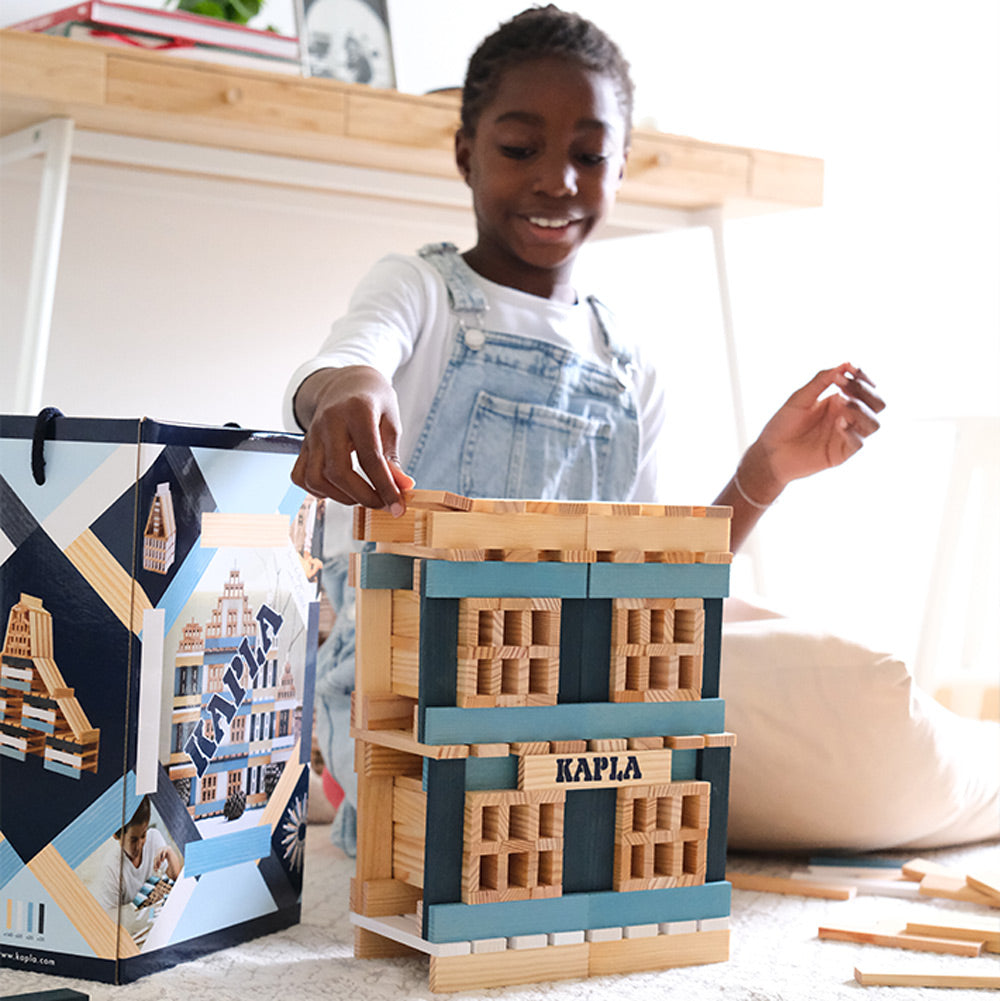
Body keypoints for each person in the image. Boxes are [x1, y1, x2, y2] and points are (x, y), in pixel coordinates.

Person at [283, 6, 885, 854]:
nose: (557, 180)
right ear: (466, 154)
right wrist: (346, 388)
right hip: (414, 691)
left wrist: (767, 468)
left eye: (589, 155)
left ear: (621, 166)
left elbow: (665, 586)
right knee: (444, 842)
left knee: (641, 811)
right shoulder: (420, 290)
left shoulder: (629, 359)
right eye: (520, 148)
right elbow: (346, 361)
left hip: (573, 693)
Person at [97, 796, 183, 913]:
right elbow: (108, 916)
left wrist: (169, 853)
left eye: (143, 835)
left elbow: (176, 880)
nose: (139, 846)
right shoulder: (111, 867)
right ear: (117, 835)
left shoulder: (153, 837)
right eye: (133, 840)